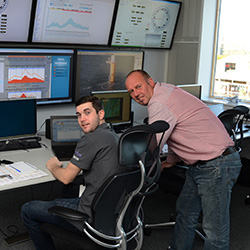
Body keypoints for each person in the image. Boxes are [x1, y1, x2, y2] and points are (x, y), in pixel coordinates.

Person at [125, 69, 242, 250]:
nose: (136, 94)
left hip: (216, 165)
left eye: (138, 87)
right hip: (203, 164)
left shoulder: (159, 102)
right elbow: (174, 130)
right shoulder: (167, 90)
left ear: (150, 81)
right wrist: (171, 160)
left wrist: (128, 156)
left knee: (215, 231)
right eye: (131, 92)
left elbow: (154, 143)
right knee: (185, 213)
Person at [21, 96, 122, 250]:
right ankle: (63, 213)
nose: (82, 119)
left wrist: (53, 166)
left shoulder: (91, 139)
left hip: (90, 216)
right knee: (68, 190)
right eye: (78, 115)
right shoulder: (114, 135)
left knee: (27, 209)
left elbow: (67, 177)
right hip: (111, 211)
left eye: (87, 113)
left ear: (100, 114)